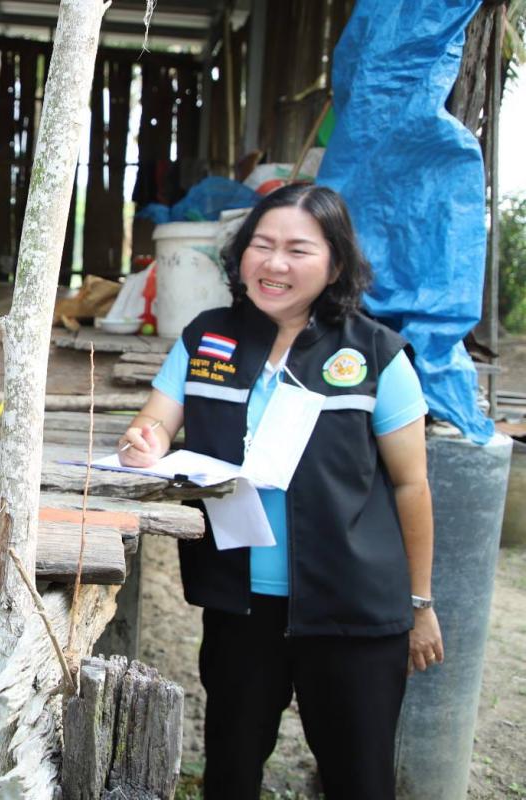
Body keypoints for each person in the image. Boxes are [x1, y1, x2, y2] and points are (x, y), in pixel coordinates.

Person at [117, 183, 444, 798]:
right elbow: (155, 421)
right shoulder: (206, 338)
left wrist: (420, 605)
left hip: (353, 611)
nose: (275, 263)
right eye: (261, 245)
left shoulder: (374, 352)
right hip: (241, 606)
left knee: (359, 780)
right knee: (231, 771)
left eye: (298, 249)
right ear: (240, 254)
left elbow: (411, 484)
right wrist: (145, 441)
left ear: (336, 264)